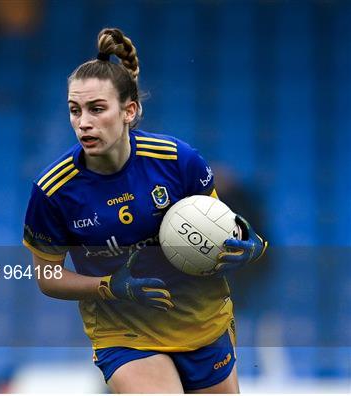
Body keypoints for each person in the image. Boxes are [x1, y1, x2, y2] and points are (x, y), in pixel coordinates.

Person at [23, 28, 267, 394]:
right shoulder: (53, 191)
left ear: (129, 110)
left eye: (97, 108)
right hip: (124, 332)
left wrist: (250, 245)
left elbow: (222, 227)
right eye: (75, 110)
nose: (83, 121)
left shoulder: (177, 161)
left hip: (200, 322)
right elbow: (47, 277)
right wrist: (108, 287)